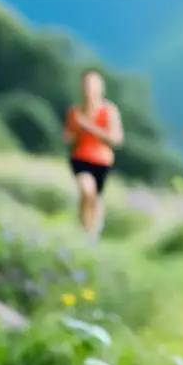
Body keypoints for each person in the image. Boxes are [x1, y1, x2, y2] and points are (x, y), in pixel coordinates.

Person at [63, 69, 124, 240]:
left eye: (92, 85)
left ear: (100, 88)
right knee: (86, 190)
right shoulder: (75, 112)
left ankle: (91, 233)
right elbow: (68, 136)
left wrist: (90, 128)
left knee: (94, 199)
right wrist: (73, 132)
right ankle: (85, 231)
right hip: (80, 158)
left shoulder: (109, 111)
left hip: (102, 161)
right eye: (85, 84)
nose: (88, 88)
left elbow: (116, 138)